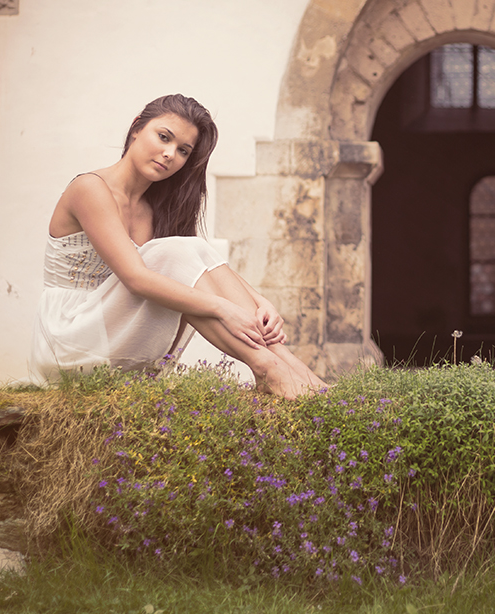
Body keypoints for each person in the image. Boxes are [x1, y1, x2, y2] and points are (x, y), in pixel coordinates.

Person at [29, 94, 326, 399]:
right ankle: (267, 367)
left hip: (113, 335)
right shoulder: (89, 189)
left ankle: (290, 366)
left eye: (183, 150)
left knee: (186, 247)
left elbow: (201, 262)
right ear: (135, 129)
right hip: (68, 339)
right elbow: (136, 279)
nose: (170, 154)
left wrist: (261, 301)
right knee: (174, 252)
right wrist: (223, 309)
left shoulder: (154, 207)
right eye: (163, 137)